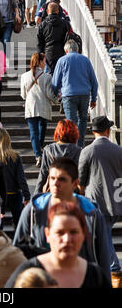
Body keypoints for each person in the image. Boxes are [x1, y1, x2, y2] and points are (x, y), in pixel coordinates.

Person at [13, 157, 111, 281]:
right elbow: (16, 250)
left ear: (75, 184)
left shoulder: (91, 213)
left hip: (80, 279)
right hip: (41, 280)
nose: (55, 183)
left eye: (62, 179)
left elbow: (103, 255)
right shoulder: (33, 210)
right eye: (52, 178)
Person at [7, 202, 111, 288]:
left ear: (83, 234)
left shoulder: (96, 276)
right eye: (60, 232)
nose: (67, 240)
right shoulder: (27, 272)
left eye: (74, 232)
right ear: (47, 234)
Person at [78, 115, 122, 288]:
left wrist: (82, 196)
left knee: (103, 237)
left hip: (96, 200)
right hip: (116, 200)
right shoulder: (118, 150)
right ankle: (107, 270)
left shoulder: (87, 151)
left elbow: (81, 180)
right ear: (108, 130)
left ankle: (114, 269)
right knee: (103, 235)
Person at [52, 39, 98, 148]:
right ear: (77, 50)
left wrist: (56, 94)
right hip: (84, 94)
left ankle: (72, 145)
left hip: (68, 95)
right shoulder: (85, 60)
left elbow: (55, 82)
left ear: (66, 50)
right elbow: (94, 81)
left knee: (71, 122)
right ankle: (80, 145)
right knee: (83, 120)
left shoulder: (62, 60)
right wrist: (94, 98)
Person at [20, 52, 58, 167]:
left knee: (33, 132)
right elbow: (50, 94)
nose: (45, 63)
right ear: (40, 62)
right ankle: (39, 150)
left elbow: (23, 95)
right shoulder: (47, 77)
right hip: (43, 108)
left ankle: (38, 155)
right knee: (42, 131)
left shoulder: (24, 76)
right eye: (44, 61)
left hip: (30, 108)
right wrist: (57, 100)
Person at [0, 128, 30, 227]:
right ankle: (18, 241)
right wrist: (27, 195)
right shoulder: (15, 157)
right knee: (18, 222)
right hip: (14, 193)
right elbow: (21, 178)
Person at [35, 119, 81, 194]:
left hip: (53, 191)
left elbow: (43, 174)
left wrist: (36, 196)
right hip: (71, 192)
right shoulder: (78, 151)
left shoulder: (48, 150)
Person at [37, 2, 70, 74]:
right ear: (58, 11)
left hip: (48, 52)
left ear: (47, 11)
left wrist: (40, 55)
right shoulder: (65, 23)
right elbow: (69, 38)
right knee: (61, 73)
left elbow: (40, 42)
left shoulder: (42, 25)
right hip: (62, 51)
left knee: (48, 73)